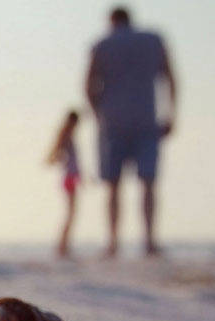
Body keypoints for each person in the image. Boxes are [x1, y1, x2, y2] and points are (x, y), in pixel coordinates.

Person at [85, 6, 177, 258]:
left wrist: (98, 114)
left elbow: (88, 85)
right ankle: (149, 241)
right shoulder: (153, 40)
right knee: (148, 183)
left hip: (112, 121)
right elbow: (170, 77)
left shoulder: (102, 45)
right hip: (146, 118)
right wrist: (171, 114)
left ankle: (113, 241)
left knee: (113, 186)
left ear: (111, 21)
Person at [46, 110, 82, 259]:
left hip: (71, 176)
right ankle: (62, 246)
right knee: (71, 212)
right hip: (69, 177)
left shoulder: (68, 135)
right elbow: (54, 155)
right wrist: (60, 158)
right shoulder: (65, 134)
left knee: (72, 212)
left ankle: (64, 245)